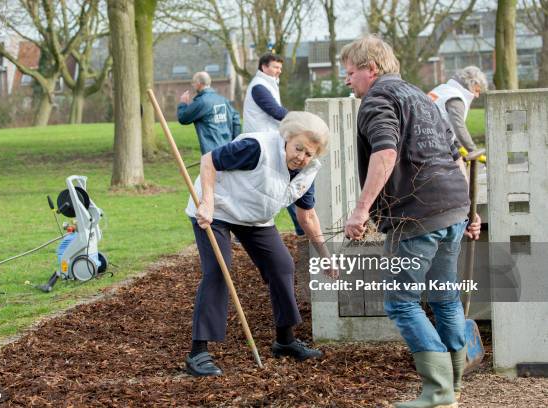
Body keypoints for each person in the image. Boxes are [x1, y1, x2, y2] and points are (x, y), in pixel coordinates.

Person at [340, 35, 481, 408]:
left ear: (370, 70)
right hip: (452, 206)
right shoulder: (422, 96)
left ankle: (437, 392)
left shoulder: (378, 99)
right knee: (445, 297)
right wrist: (469, 210)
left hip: (416, 215)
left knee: (401, 302)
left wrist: (360, 210)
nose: (348, 80)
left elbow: (385, 151)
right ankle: (453, 387)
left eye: (350, 73)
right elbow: (455, 157)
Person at [184, 111, 334, 377]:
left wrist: (325, 254)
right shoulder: (256, 147)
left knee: (282, 266)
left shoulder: (308, 171)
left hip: (255, 217)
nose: (301, 157)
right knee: (219, 270)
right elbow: (209, 161)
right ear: (287, 138)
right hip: (217, 209)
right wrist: (206, 201)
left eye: (309, 153)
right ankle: (198, 353)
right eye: (298, 148)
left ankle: (285, 341)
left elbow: (307, 215)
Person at [243, 53, 304, 237]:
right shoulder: (259, 87)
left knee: (275, 184)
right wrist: (299, 119)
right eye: (275, 67)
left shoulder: (268, 84)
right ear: (263, 67)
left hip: (269, 141)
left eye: (280, 68)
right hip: (262, 143)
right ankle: (302, 230)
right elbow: (275, 110)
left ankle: (300, 229)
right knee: (282, 182)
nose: (278, 71)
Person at [428, 66, 488, 163]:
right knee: (458, 173)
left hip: (422, 139)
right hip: (433, 146)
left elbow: (446, 125)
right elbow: (459, 127)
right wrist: (473, 151)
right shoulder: (455, 98)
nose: (477, 96)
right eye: (477, 91)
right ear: (473, 83)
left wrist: (460, 147)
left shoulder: (442, 89)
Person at [177, 71, 241, 155]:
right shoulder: (223, 100)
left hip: (211, 153)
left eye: (193, 83)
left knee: (209, 168)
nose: (192, 85)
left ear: (198, 83)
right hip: (227, 149)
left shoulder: (201, 102)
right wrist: (234, 143)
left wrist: (183, 103)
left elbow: (183, 118)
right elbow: (236, 120)